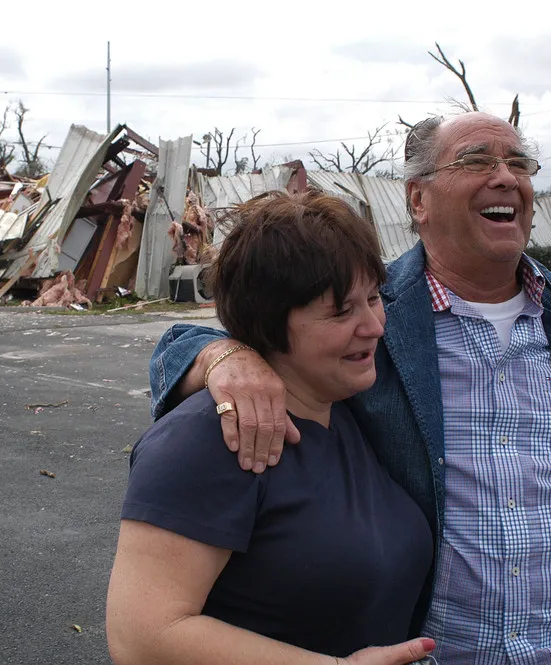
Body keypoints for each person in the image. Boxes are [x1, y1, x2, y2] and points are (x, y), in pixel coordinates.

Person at [147, 112, 551, 664]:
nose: (506, 176)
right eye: (476, 160)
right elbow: (214, 337)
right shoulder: (375, 311)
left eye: (520, 163)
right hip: (430, 649)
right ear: (418, 199)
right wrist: (224, 354)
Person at [106, 191, 438, 665]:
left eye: (373, 298)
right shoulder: (208, 439)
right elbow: (143, 638)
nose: (375, 326)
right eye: (342, 311)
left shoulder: (344, 410)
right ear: (269, 320)